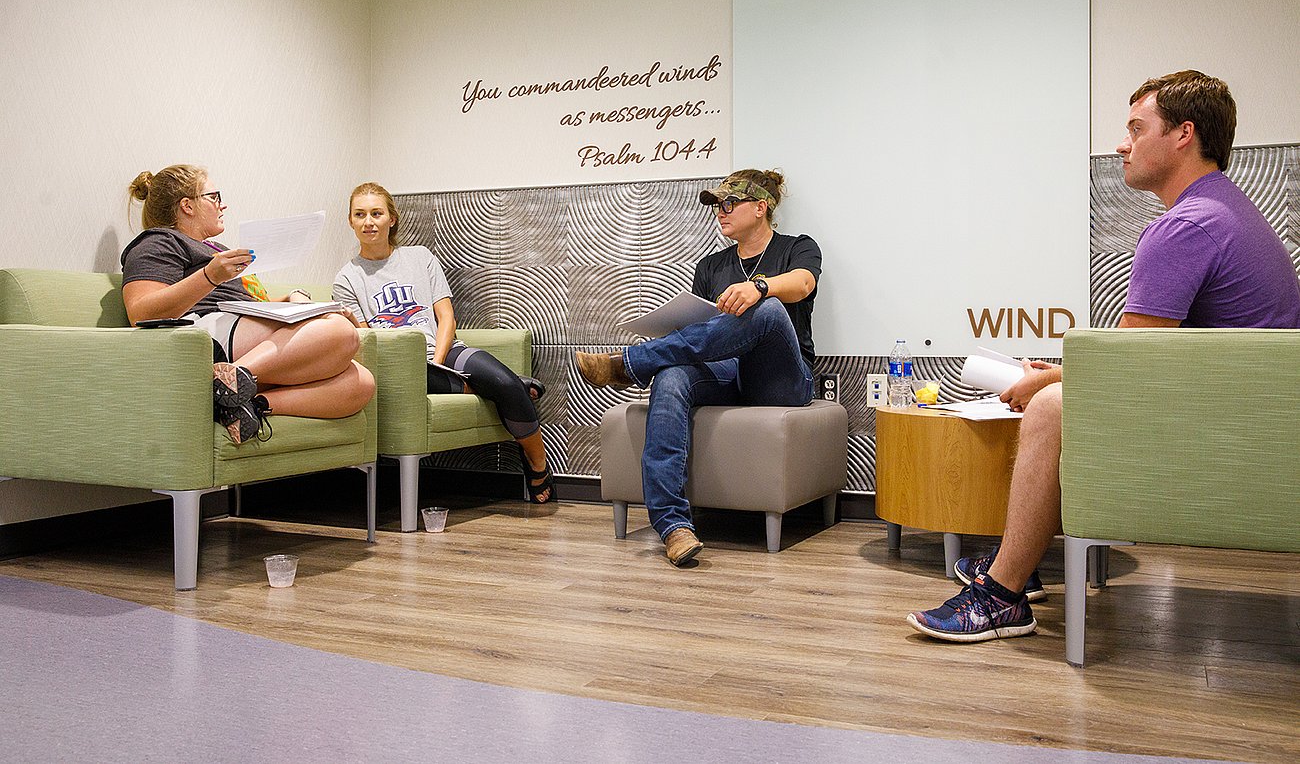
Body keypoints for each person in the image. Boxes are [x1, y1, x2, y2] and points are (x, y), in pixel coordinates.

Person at [907, 70, 1300, 643]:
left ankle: (1002, 597)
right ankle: (1014, 561)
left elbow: (1129, 369)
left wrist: (1047, 385)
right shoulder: (1226, 210)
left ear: (1184, 134)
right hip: (1256, 420)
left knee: (1050, 411)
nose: (1123, 143)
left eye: (1137, 128)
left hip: (1237, 434)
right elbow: (1155, 357)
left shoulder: (1185, 227)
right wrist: (1063, 373)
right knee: (1060, 392)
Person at [575, 169, 821, 566]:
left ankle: (632, 363)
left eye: (728, 204)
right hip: (725, 370)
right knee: (672, 374)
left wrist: (759, 287)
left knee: (769, 308)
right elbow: (707, 333)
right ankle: (673, 526)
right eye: (715, 206)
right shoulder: (710, 267)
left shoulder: (798, 247)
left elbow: (802, 284)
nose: (719, 213)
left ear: (761, 208)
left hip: (780, 379)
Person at [333, 183, 556, 504]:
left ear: (391, 219)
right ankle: (498, 388)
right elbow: (371, 339)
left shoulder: (420, 258)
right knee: (501, 386)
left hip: (446, 350)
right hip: (399, 365)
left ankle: (537, 465)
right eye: (360, 214)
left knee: (505, 383)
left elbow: (446, 318)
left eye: (376, 213)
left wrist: (438, 360)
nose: (369, 221)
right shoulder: (347, 279)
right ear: (351, 222)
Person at [122, 165, 375, 444]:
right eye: (214, 197)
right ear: (187, 206)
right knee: (342, 333)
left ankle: (249, 405)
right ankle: (228, 377)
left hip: (240, 330)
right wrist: (209, 276)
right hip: (209, 334)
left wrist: (295, 298)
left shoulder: (216, 249)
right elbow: (141, 313)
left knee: (361, 383)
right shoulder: (158, 241)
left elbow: (248, 302)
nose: (223, 204)